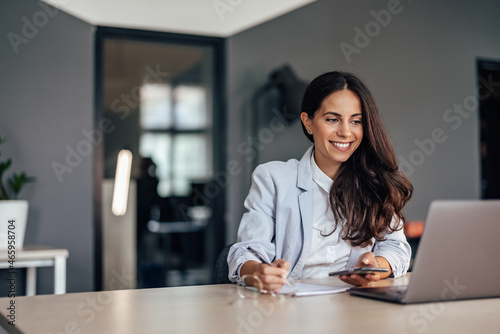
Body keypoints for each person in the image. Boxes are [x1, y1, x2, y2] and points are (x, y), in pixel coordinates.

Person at [227, 71, 413, 292]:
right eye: (332, 120)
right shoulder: (273, 178)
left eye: (356, 121)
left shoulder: (375, 181)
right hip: (290, 306)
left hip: (355, 303)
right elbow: (246, 252)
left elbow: (397, 248)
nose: (345, 132)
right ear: (308, 122)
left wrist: (376, 266)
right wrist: (258, 272)